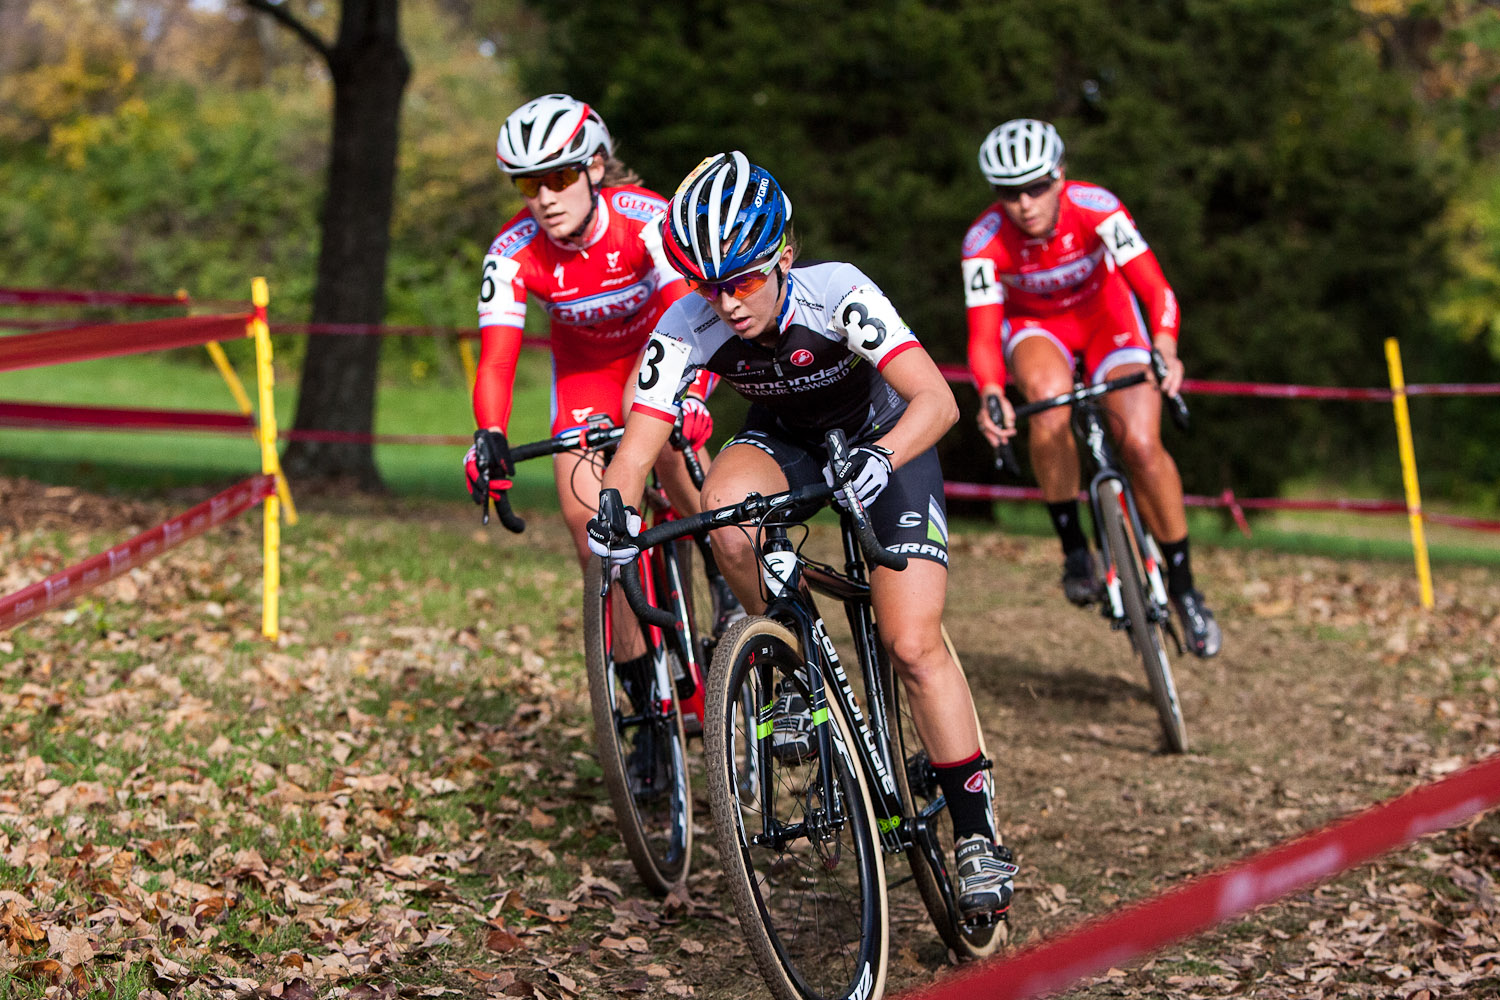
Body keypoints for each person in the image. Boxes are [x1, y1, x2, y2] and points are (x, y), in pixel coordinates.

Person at [587, 151, 1018, 919]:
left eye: (746, 280)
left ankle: (977, 831)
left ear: (783, 257)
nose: (728, 303)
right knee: (726, 516)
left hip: (885, 432)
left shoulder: (837, 291)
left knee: (912, 645)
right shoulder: (688, 323)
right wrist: (613, 513)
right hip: (784, 438)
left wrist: (884, 459)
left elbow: (937, 400)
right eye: (709, 286)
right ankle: (796, 665)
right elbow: (638, 443)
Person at [467, 93, 740, 631]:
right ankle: (640, 693)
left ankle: (721, 555)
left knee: (649, 418)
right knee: (588, 528)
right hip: (582, 377)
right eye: (528, 184)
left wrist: (689, 396)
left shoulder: (645, 219)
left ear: (595, 167)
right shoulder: (511, 250)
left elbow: (691, 320)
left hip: (658, 355)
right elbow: (498, 360)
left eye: (560, 177)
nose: (544, 198)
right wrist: (490, 435)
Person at [963, 118, 1221, 658]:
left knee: (1143, 446)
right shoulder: (983, 242)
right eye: (1009, 192)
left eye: (1037, 186)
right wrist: (991, 392)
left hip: (1109, 321)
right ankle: (1075, 549)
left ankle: (1184, 586)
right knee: (1047, 405)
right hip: (1039, 331)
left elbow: (1156, 288)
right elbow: (985, 335)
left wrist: (1167, 346)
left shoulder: (1097, 205)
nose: (1025, 204)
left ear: (1060, 176)